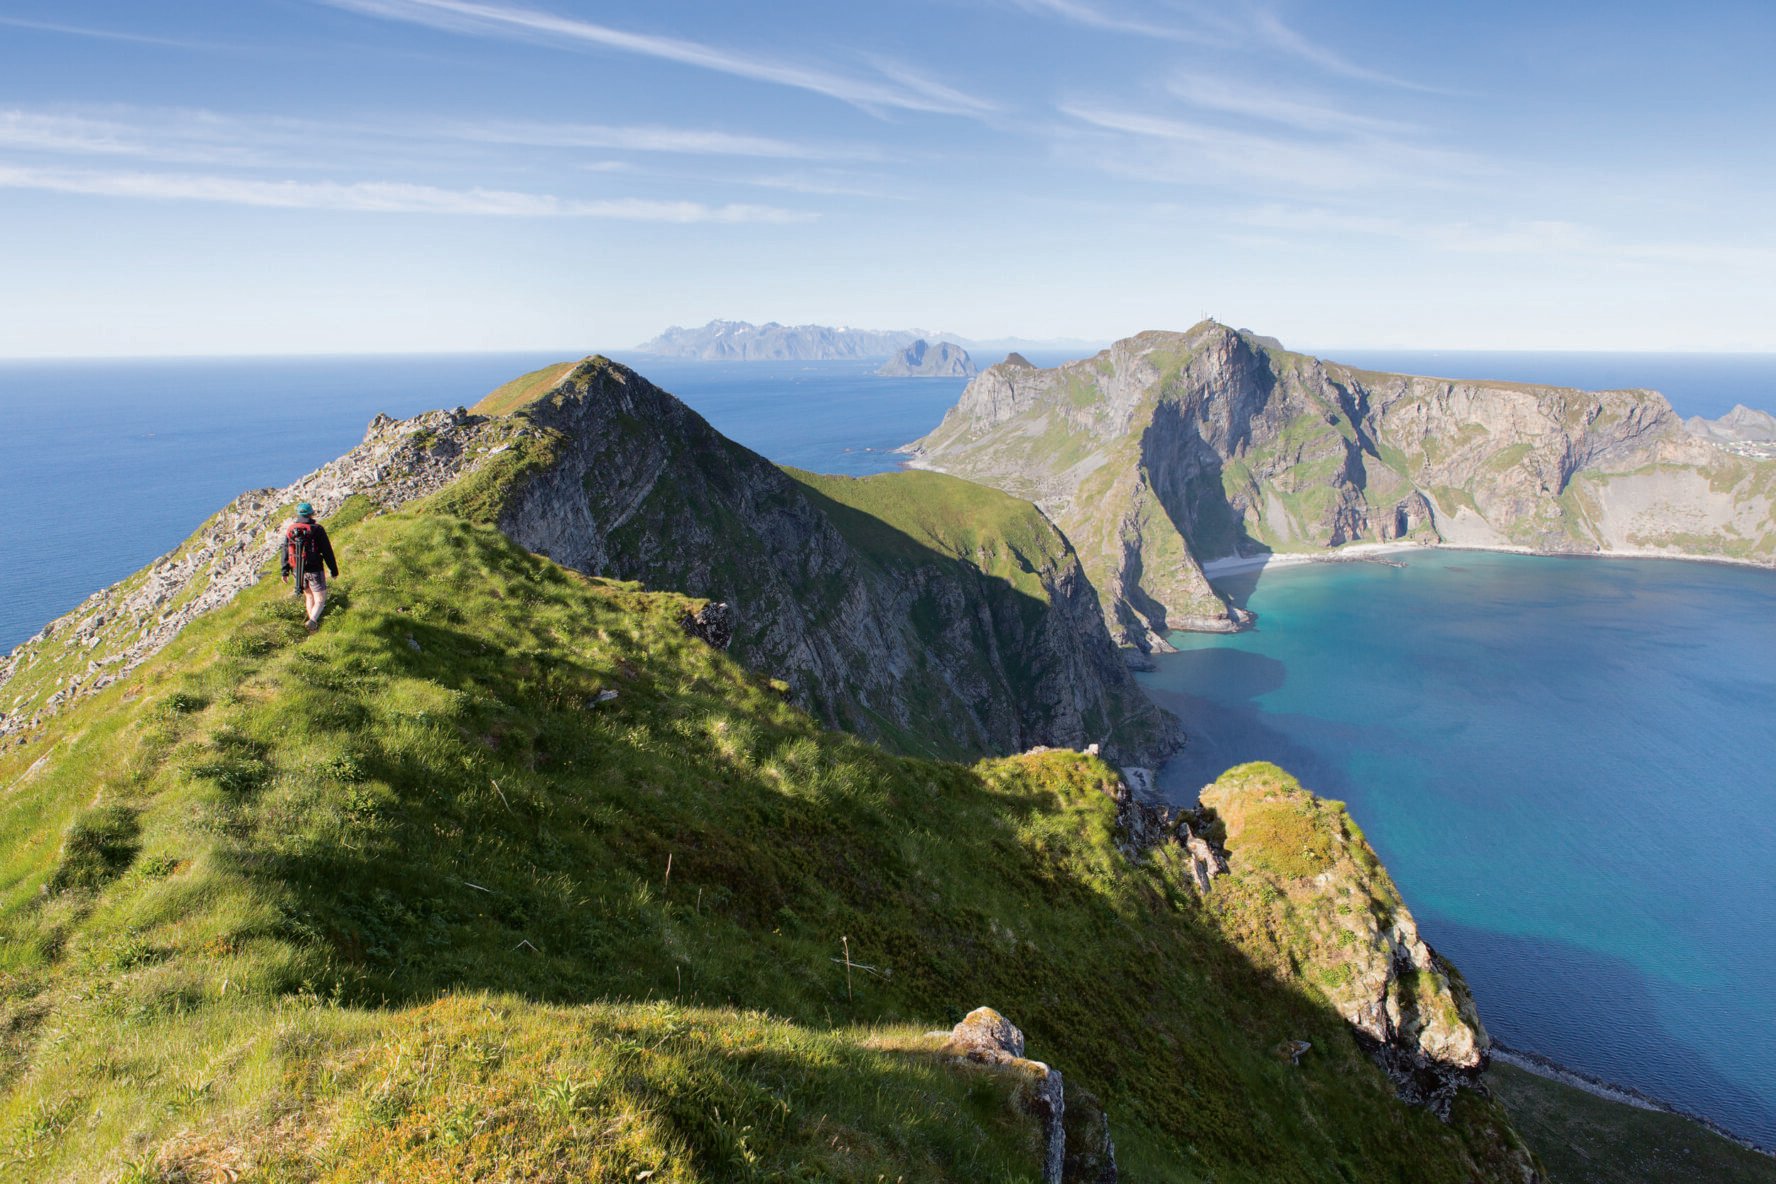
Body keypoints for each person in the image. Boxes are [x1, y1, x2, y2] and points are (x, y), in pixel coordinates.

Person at [281, 502, 339, 633]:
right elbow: (327, 551)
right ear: (311, 513)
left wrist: (284, 571)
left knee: (309, 596)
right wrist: (333, 570)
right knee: (320, 599)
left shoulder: (291, 530)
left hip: (297, 570)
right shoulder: (317, 529)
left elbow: (285, 550)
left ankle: (312, 626)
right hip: (314, 569)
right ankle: (312, 621)